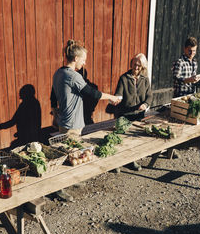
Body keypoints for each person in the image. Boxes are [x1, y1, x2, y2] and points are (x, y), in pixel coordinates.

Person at [50, 39, 120, 201]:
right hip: (72, 123)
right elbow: (92, 93)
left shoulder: (58, 73)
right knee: (68, 154)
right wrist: (112, 98)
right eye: (83, 59)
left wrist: (55, 114)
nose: (85, 62)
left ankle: (69, 181)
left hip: (64, 120)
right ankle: (59, 189)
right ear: (75, 58)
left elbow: (53, 96)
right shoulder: (73, 76)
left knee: (70, 152)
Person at [112, 53, 152, 172]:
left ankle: (130, 161)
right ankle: (117, 163)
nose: (136, 67)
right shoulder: (124, 78)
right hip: (124, 115)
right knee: (122, 140)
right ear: (131, 63)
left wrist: (145, 104)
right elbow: (118, 94)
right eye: (134, 64)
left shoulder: (145, 80)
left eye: (139, 65)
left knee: (134, 139)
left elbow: (149, 96)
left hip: (138, 115)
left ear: (143, 67)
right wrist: (116, 99)